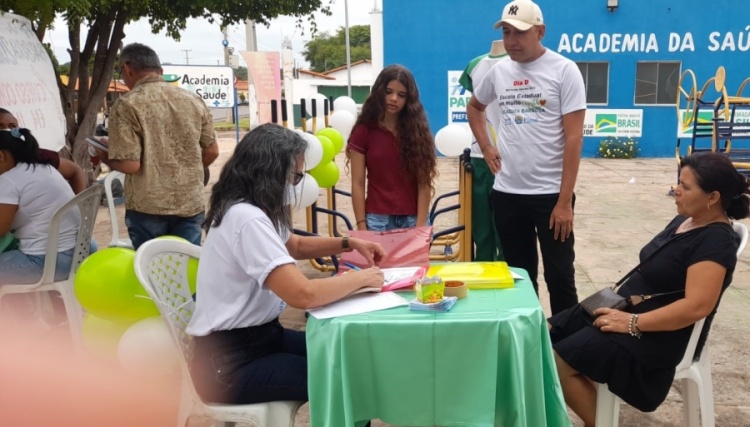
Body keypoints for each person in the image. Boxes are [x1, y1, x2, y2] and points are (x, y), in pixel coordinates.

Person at [186, 124, 387, 404]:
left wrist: (349, 243)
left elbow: (295, 245)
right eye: (295, 177)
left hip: (260, 339)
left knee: (345, 356)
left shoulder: (247, 208)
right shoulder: (247, 219)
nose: (295, 185)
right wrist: (363, 278)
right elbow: (303, 295)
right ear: (270, 171)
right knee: (345, 381)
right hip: (230, 363)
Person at [549, 152, 749, 426]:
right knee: (543, 335)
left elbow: (697, 306)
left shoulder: (715, 242)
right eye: (678, 182)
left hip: (657, 335)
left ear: (712, 197)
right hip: (625, 309)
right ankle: (598, 412)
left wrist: (633, 322)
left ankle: (601, 421)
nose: (675, 190)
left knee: (559, 363)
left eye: (685, 187)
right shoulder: (686, 219)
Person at [466, 0, 586, 314]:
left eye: (519, 33)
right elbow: (475, 107)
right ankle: (528, 337)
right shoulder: (499, 71)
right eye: (506, 32)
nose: (511, 41)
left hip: (550, 197)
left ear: (540, 31)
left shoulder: (564, 70)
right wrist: (487, 147)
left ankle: (566, 349)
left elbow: (574, 139)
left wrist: (564, 202)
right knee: (519, 276)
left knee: (560, 276)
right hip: (507, 194)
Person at [93, 43, 219, 249]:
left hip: (148, 206)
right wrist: (186, 169)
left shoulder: (126, 105)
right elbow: (212, 151)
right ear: (160, 71)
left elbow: (130, 165)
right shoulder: (193, 100)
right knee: (185, 269)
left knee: (152, 272)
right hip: (190, 203)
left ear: (127, 68)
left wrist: (103, 153)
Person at [346, 64, 437, 231]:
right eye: (389, 92)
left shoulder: (418, 133)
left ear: (409, 99)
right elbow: (357, 184)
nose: (394, 98)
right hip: (376, 220)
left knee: (414, 259)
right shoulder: (363, 131)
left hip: (413, 219)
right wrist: (361, 226)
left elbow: (424, 183)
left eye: (401, 95)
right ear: (379, 91)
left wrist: (420, 226)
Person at [0, 128, 82, 284]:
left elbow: (1, 229)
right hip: (78, 254)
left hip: (46, 263)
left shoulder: (9, 180)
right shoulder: (46, 168)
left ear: (1, 156)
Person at [459, 40, 507, 261]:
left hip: (508, 157)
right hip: (479, 156)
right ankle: (483, 274)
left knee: (505, 230)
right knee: (481, 227)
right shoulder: (474, 66)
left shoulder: (517, 63)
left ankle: (507, 277)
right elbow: (475, 106)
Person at [0, 108, 88, 194]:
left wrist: (78, 204)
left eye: (12, 126)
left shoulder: (36, 155)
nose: (6, 130)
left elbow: (76, 171)